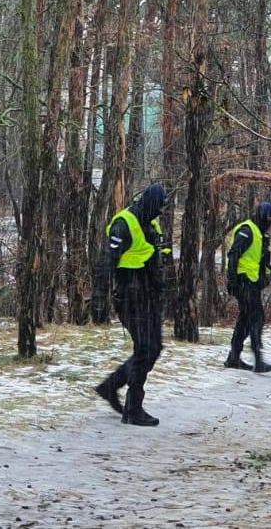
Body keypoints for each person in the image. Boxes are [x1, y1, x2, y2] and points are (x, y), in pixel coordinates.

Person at [95, 183, 171, 426]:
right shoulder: (124, 223)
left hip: (149, 296)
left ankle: (112, 386)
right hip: (130, 296)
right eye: (158, 207)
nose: (160, 213)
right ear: (149, 203)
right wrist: (98, 298)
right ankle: (133, 408)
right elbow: (106, 261)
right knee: (146, 349)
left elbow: (157, 256)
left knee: (152, 349)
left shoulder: (151, 223)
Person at [224, 201, 271, 373]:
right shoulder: (247, 230)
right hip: (244, 281)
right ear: (263, 218)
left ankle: (234, 358)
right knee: (256, 318)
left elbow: (261, 261)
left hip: (252, 282)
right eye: (270, 222)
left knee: (245, 319)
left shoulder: (259, 234)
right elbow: (233, 255)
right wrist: (232, 280)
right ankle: (258, 359)